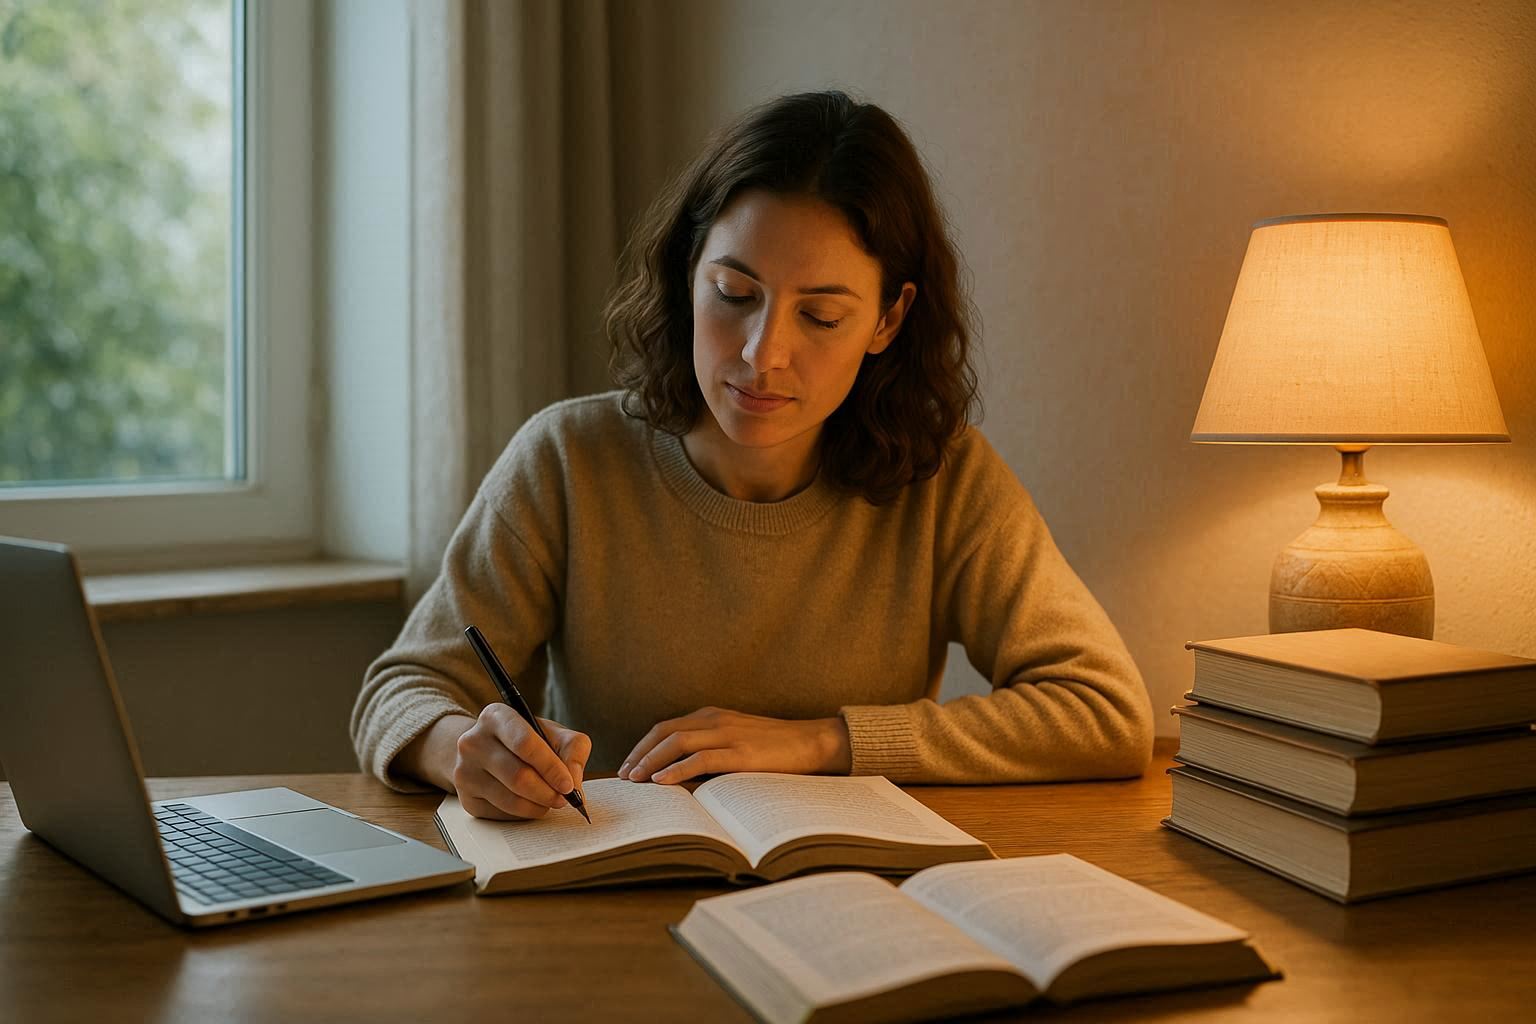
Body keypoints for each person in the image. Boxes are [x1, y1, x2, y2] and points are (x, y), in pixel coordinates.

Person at [351, 90, 1154, 821]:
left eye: (822, 316)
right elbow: (403, 690)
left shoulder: (944, 479)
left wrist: (822, 742)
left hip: (853, 893)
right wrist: (463, 751)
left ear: (888, 320)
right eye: (734, 296)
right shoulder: (569, 459)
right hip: (610, 886)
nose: (762, 354)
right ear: (687, 274)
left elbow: (1105, 712)